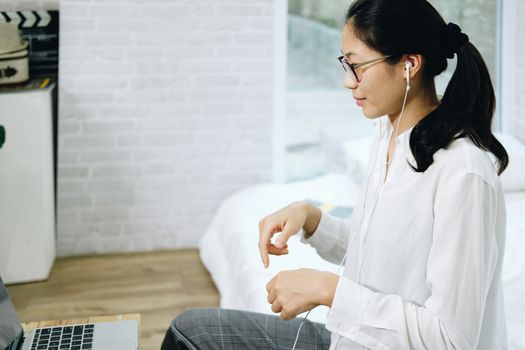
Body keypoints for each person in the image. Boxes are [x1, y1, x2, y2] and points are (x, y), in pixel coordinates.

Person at [161, 0, 509, 348]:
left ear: (409, 64)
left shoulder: (463, 173)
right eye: (346, 64)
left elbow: (452, 339)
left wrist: (329, 290)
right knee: (189, 329)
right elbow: (375, 251)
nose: (348, 81)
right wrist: (311, 218)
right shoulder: (389, 136)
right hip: (351, 338)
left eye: (357, 66)